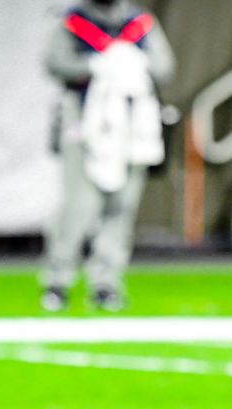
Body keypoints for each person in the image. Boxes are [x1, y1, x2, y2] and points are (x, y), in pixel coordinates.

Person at [41, 0, 175, 312]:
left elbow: (164, 68)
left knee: (122, 205)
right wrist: (96, 66)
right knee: (78, 205)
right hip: (84, 120)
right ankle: (58, 278)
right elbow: (55, 63)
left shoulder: (139, 22)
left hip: (131, 123)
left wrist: (130, 63)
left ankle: (106, 282)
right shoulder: (75, 21)